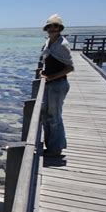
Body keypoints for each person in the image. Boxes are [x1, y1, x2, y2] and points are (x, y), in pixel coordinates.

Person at [40, 14, 74, 157]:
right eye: (49, 26)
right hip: (50, 84)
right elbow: (48, 60)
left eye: (55, 26)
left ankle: (56, 149)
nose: (51, 29)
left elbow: (70, 67)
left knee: (54, 117)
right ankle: (51, 146)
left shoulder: (62, 45)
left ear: (59, 28)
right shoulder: (49, 42)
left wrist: (51, 76)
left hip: (58, 85)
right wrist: (43, 71)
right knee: (46, 116)